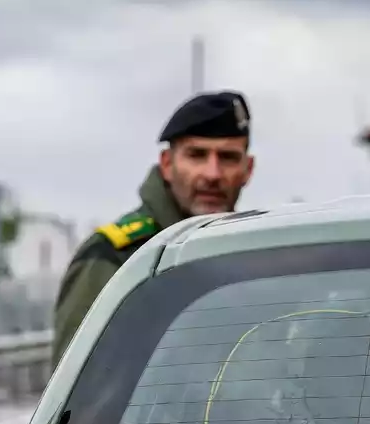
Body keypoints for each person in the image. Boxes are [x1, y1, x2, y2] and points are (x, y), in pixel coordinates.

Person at [51, 91, 256, 366]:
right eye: (197, 155)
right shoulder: (117, 257)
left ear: (248, 169)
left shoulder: (247, 257)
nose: (212, 174)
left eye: (228, 158)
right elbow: (81, 393)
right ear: (168, 165)